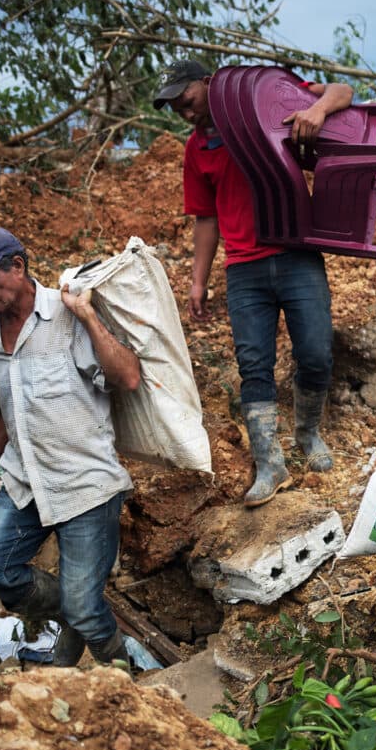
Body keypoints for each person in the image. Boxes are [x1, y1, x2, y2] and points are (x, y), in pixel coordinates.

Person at [152, 59, 354, 508]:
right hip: (244, 269)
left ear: (209, 84)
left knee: (316, 353)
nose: (184, 113)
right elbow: (206, 217)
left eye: (186, 100)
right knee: (254, 366)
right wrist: (197, 281)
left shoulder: (263, 103)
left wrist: (316, 111)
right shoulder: (196, 149)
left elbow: (342, 91)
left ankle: (307, 432)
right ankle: (269, 463)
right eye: (175, 109)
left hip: (296, 254)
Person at [0, 225, 142, 667]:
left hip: (85, 486)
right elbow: (2, 403)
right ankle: (79, 611)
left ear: (17, 266)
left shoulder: (70, 312)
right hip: (25, 482)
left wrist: (89, 317)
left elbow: (128, 376)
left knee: (86, 610)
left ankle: (129, 681)